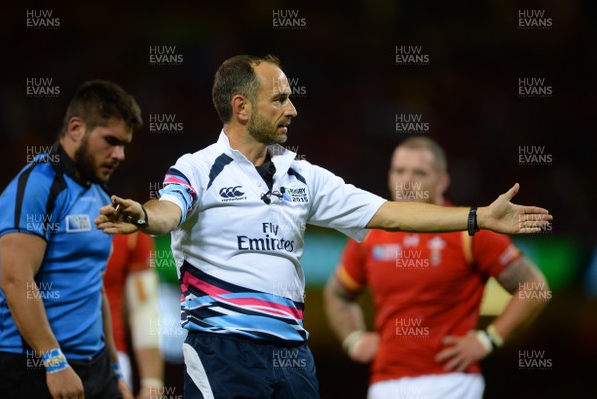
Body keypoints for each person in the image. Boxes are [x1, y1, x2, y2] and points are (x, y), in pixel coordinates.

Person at [93, 55, 552, 399]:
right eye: (280, 98)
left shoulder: (303, 175)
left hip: (293, 353)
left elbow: (389, 213)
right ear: (242, 107)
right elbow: (167, 211)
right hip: (221, 348)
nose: (292, 108)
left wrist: (478, 218)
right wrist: (142, 216)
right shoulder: (198, 167)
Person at [324, 136, 551, 399]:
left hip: (450, 382)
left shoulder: (471, 228)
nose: (406, 181)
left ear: (442, 181)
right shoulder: (370, 235)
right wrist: (353, 339)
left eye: (419, 172)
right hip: (384, 383)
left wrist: (488, 339)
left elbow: (535, 287)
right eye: (399, 171)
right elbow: (338, 293)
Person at [0, 80, 142, 399]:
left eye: (124, 145)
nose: (119, 154)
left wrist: (115, 370)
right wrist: (54, 362)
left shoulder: (101, 194)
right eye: (111, 141)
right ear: (76, 128)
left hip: (95, 368)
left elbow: (94, 286)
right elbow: (14, 279)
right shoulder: (38, 186)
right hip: (34, 367)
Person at [104, 232, 165, 398]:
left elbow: (143, 307)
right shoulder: (45, 211)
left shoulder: (130, 227)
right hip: (46, 352)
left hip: (113, 359)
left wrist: (152, 382)